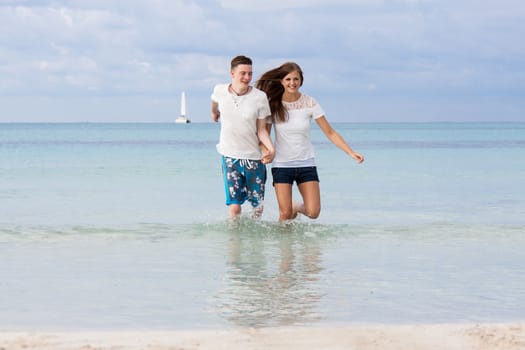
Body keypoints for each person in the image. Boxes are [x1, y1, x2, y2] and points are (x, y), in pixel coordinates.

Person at [256, 62, 364, 221]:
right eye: (288, 79)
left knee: (313, 212)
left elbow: (330, 132)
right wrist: (266, 152)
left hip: (306, 163)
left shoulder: (310, 103)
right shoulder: (274, 105)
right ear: (281, 81)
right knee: (285, 214)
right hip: (282, 165)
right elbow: (264, 133)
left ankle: (295, 207)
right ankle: (284, 245)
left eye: (296, 79)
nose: (292, 83)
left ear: (301, 81)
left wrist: (350, 152)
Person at [211, 55, 275, 219]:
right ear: (232, 73)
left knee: (257, 206)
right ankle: (234, 242)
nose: (247, 78)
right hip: (230, 157)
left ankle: (254, 241)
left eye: (250, 73)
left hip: (254, 158)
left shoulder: (259, 97)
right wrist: (214, 113)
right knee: (235, 206)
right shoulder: (220, 90)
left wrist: (271, 149)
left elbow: (261, 130)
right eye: (243, 73)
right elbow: (214, 101)